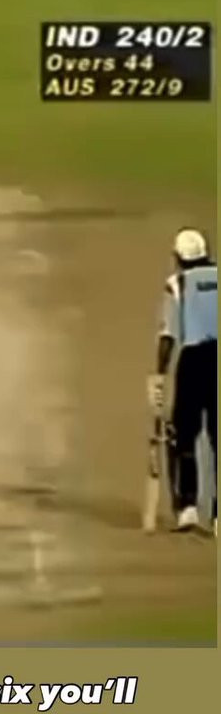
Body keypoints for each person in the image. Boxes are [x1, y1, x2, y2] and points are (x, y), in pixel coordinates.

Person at [147, 227, 217, 532]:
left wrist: (159, 374)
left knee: (185, 435)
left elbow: (169, 335)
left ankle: (188, 506)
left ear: (178, 257)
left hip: (194, 363)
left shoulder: (177, 284)